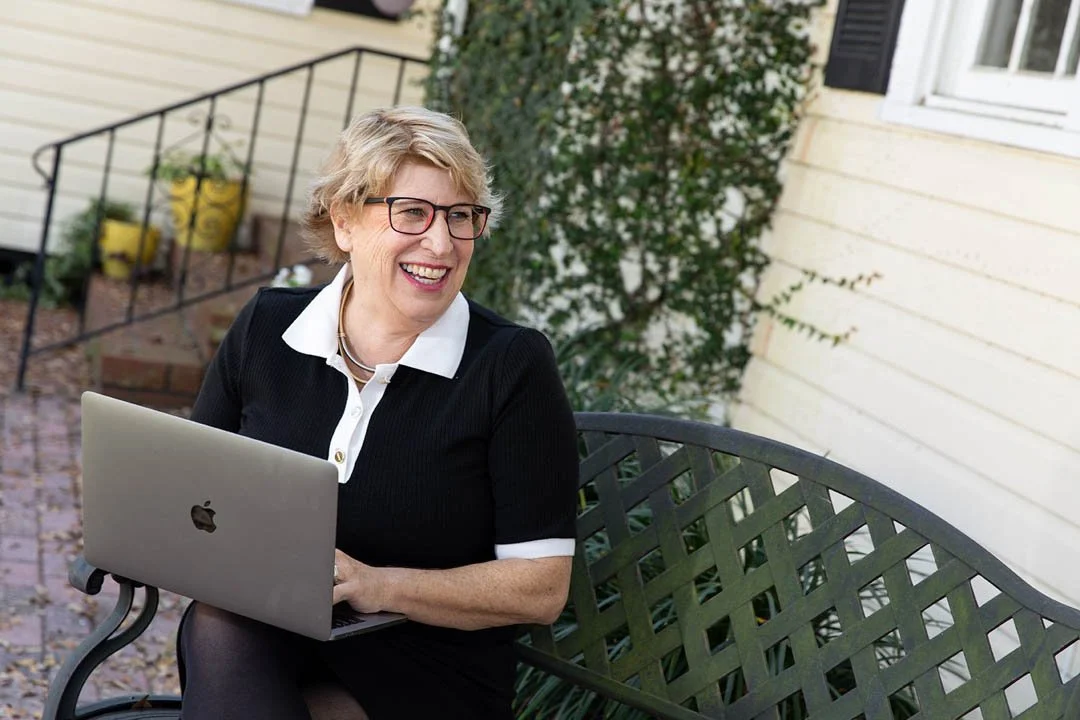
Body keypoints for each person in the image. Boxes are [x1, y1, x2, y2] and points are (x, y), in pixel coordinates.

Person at [176, 106, 579, 719]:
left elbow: (541, 587)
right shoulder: (269, 327)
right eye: (412, 212)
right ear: (344, 220)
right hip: (273, 625)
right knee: (223, 620)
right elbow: (190, 491)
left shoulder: (510, 365)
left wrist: (376, 585)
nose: (441, 244)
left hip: (424, 662)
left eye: (461, 217)